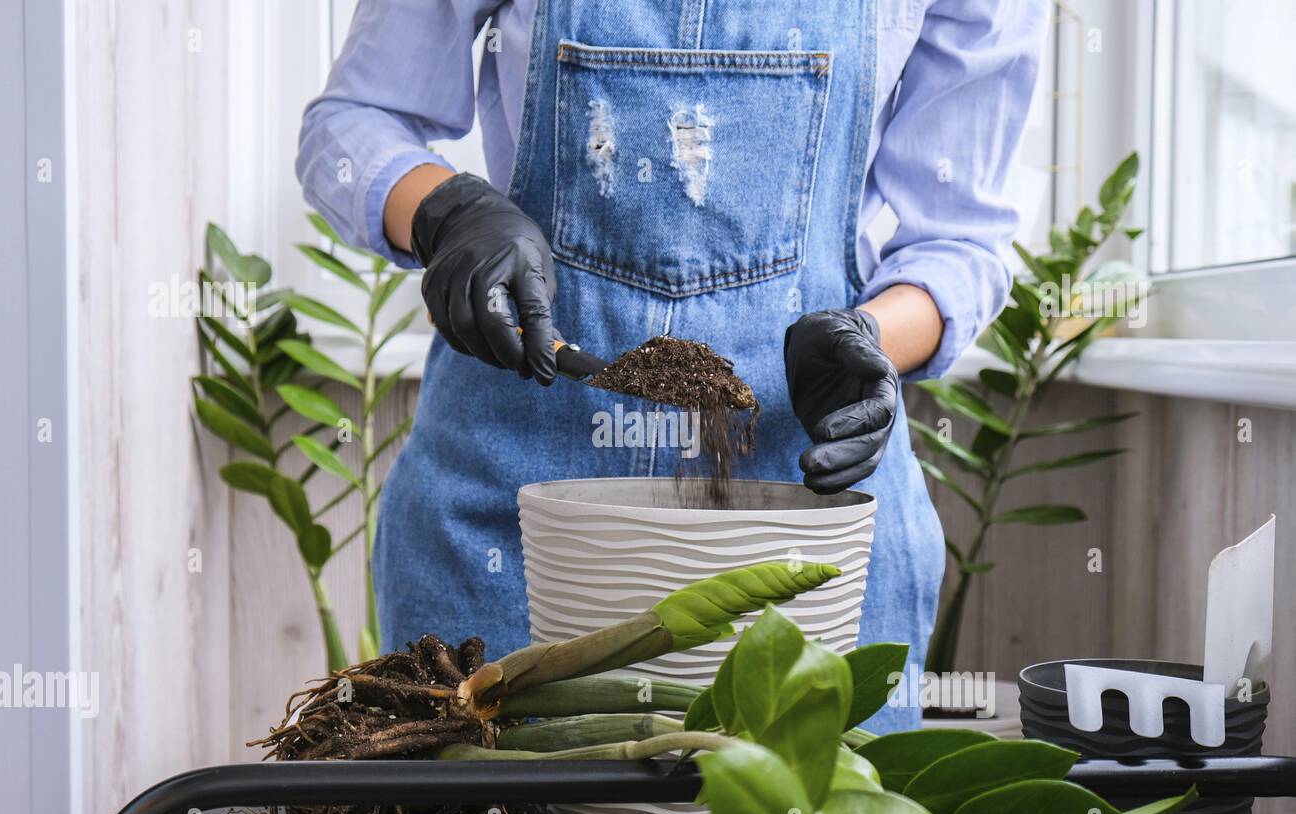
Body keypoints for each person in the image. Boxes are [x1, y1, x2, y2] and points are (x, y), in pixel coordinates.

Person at [297, 0, 1048, 731]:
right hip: (504, 519)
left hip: (804, 520)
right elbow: (353, 122)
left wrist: (869, 337)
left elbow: (961, 240)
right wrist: (448, 211)